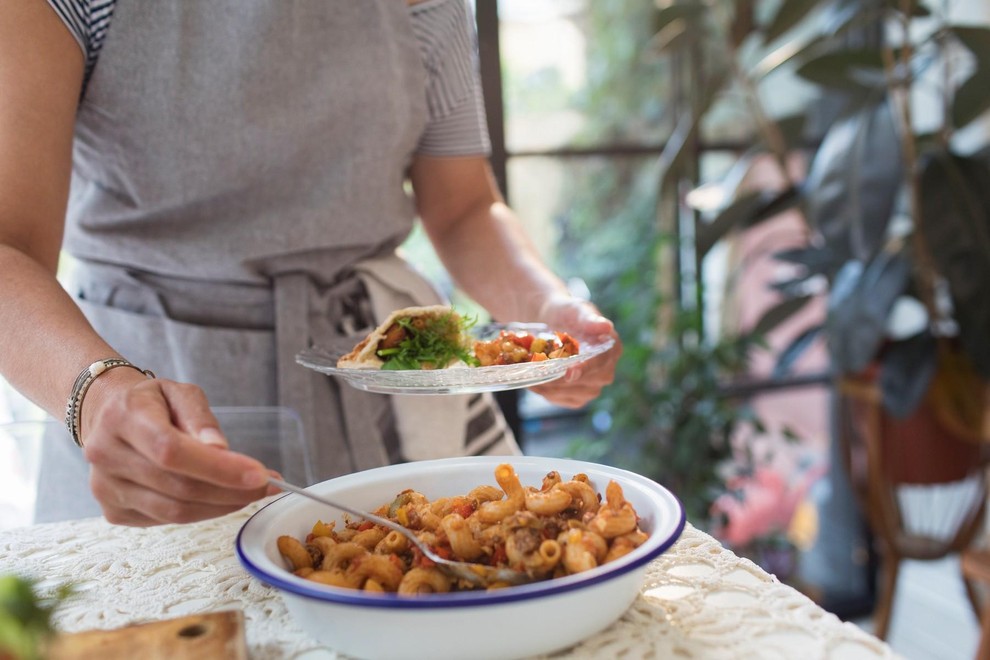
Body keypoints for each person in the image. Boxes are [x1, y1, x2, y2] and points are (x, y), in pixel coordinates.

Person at [0, 0, 621, 527]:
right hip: (146, 409)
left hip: (385, 397)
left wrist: (545, 310)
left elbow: (462, 207)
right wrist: (99, 395)